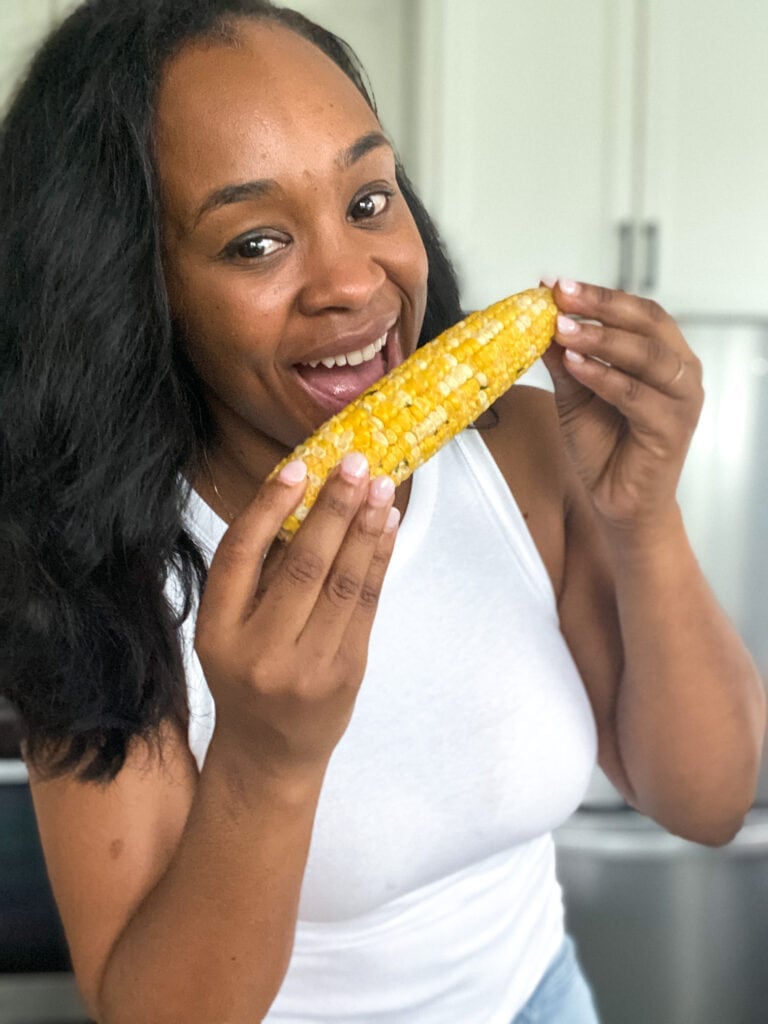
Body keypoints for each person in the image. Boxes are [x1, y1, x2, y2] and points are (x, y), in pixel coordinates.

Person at [0, 1, 764, 1021]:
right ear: (131, 290)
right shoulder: (96, 571)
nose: (355, 285)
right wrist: (269, 759)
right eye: (257, 242)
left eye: (368, 201)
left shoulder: (524, 452)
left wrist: (646, 518)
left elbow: (709, 801)